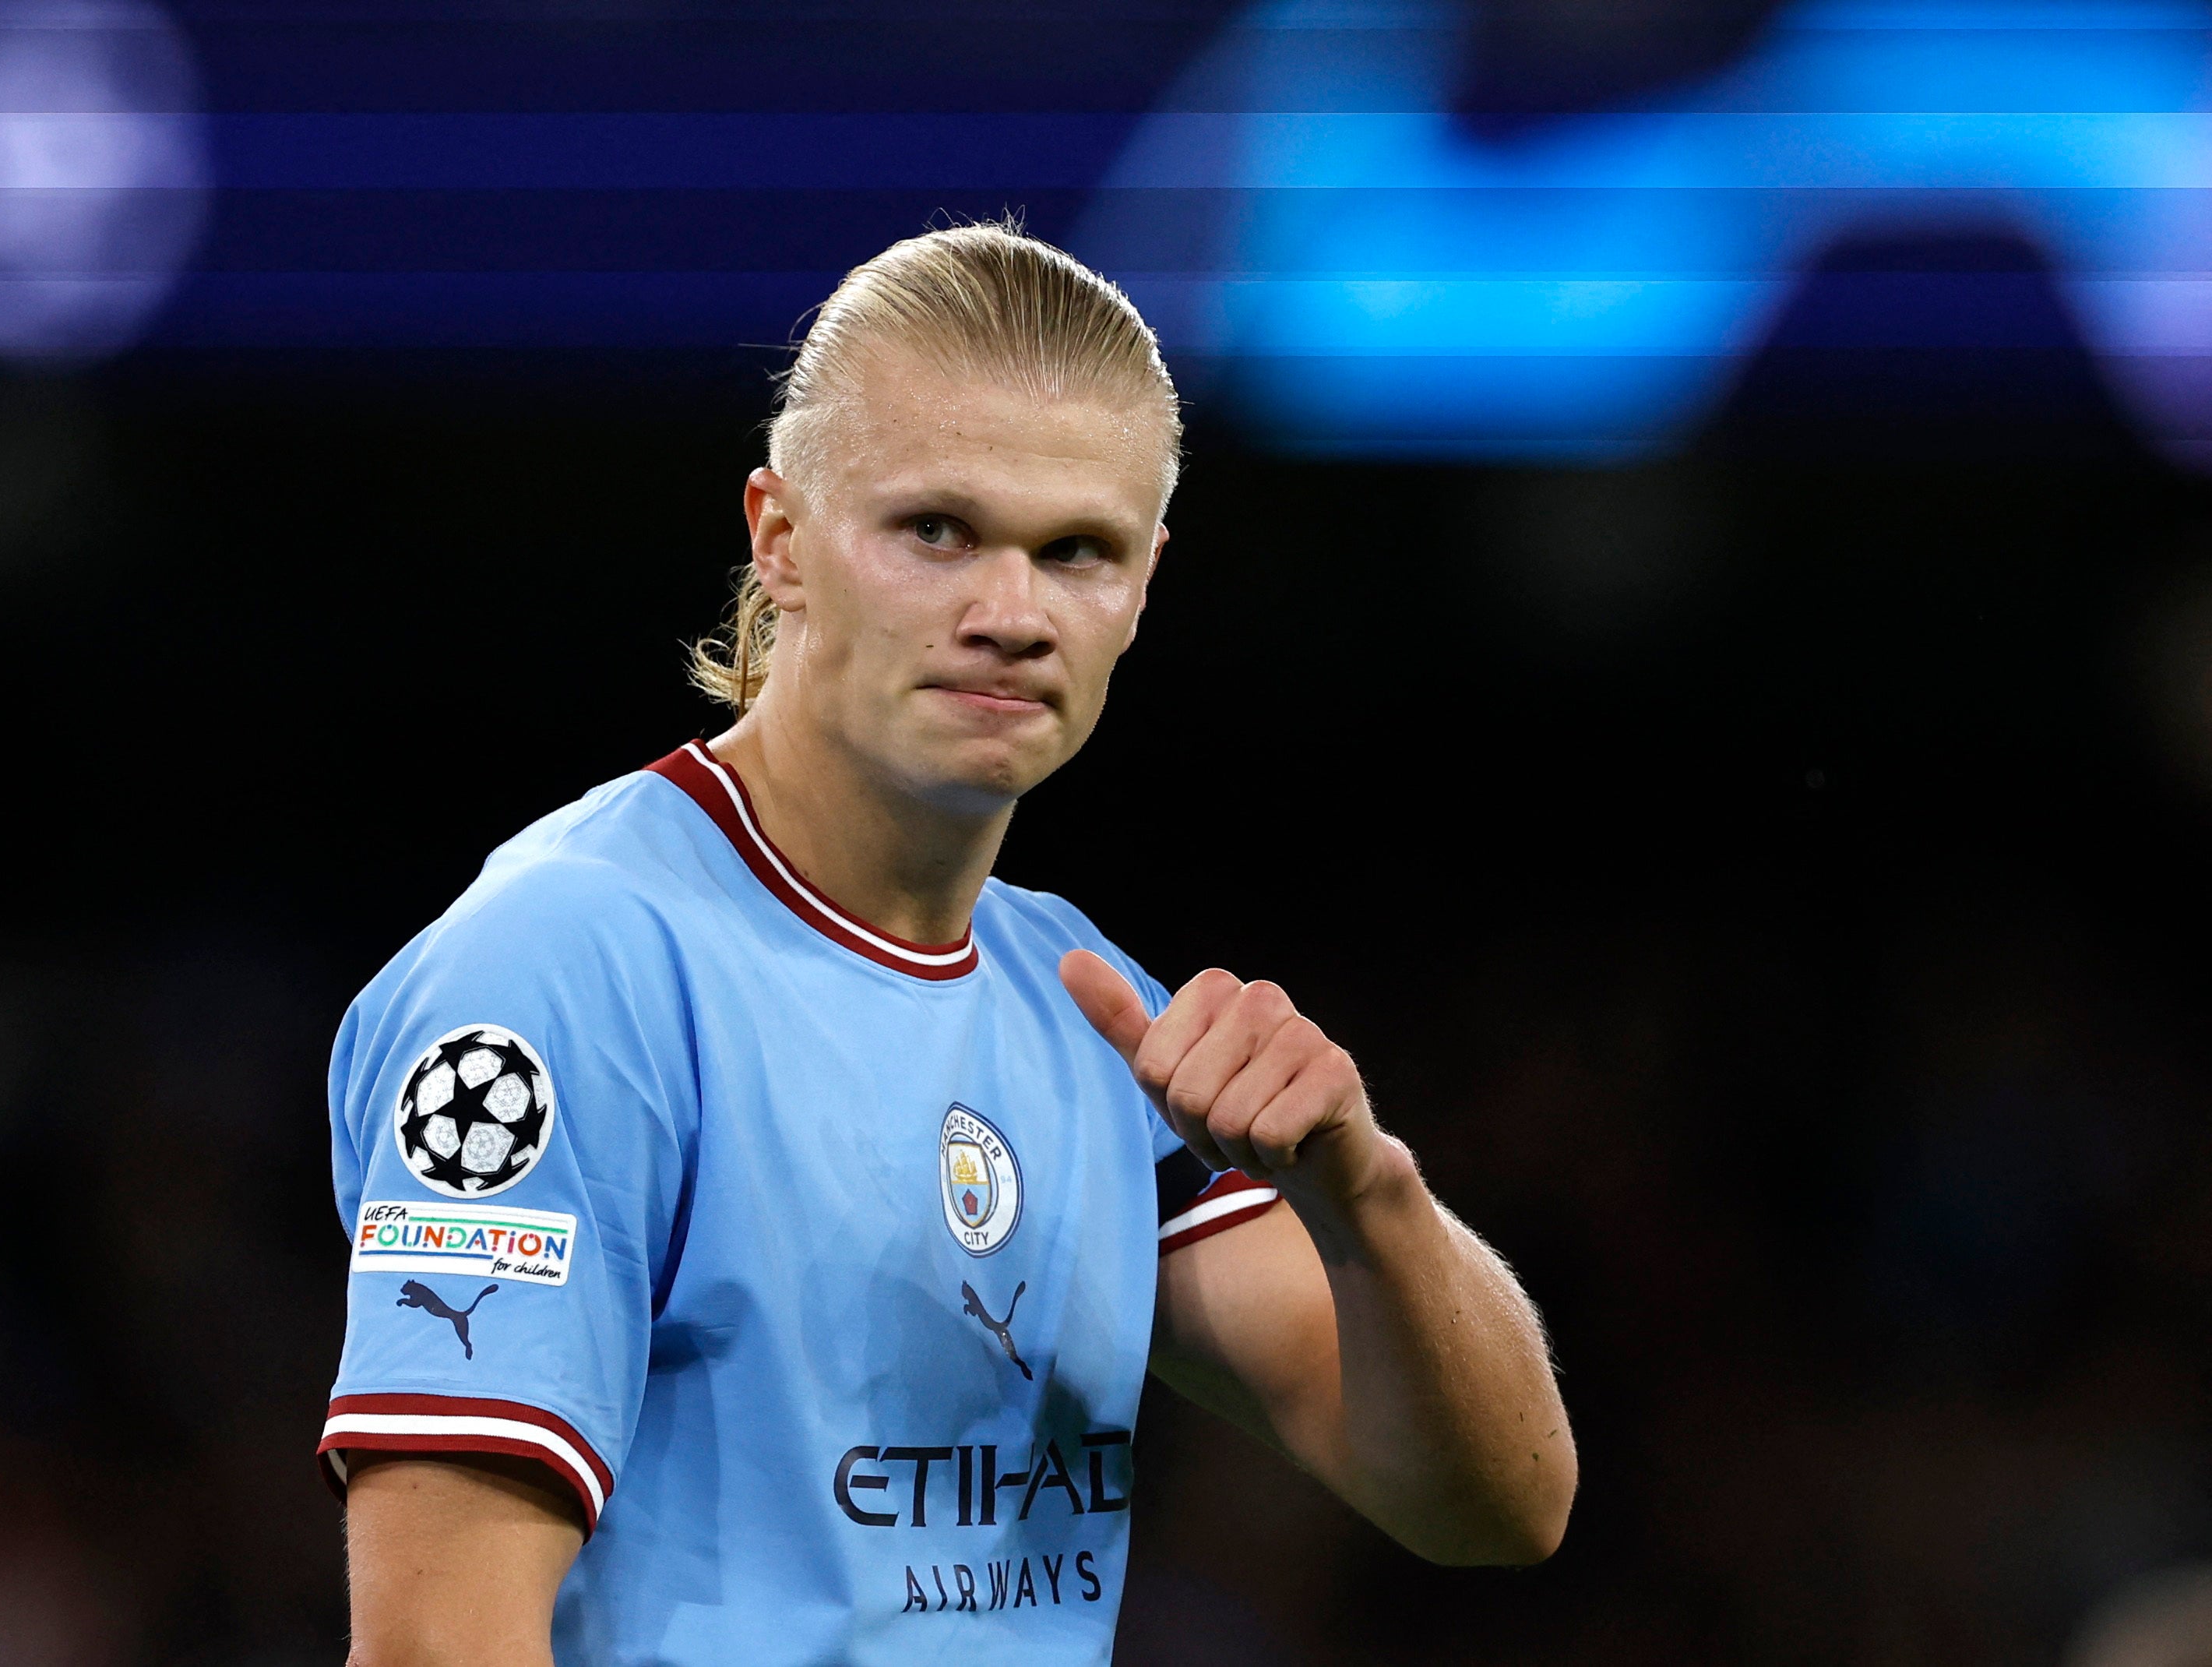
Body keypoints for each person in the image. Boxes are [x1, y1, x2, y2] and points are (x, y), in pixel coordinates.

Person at [320, 224, 1576, 1667]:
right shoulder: (564, 973)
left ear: (1145, 586)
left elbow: (1502, 1508)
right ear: (779, 539)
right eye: (937, 531)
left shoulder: (1078, 1001)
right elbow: (434, 1644)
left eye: (1078, 553)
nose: (1011, 615)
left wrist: (1372, 1193)